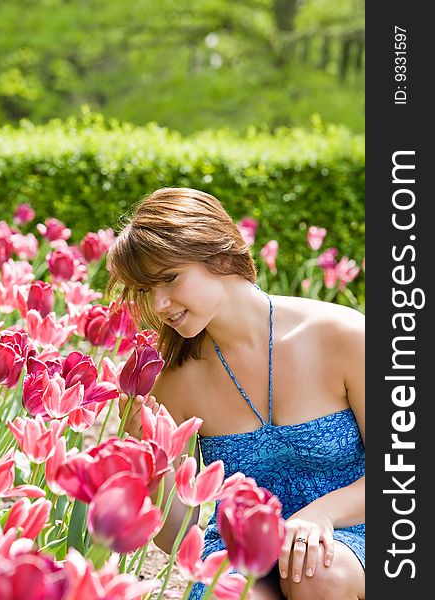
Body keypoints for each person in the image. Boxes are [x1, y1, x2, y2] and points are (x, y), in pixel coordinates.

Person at [106, 187, 365, 600]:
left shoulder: (342, 336)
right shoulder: (172, 382)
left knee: (315, 572)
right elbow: (179, 537)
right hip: (239, 556)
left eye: (169, 279)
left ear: (222, 257)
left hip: (353, 535)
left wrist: (320, 516)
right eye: (145, 290)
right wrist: (156, 461)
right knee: (223, 594)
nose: (158, 304)